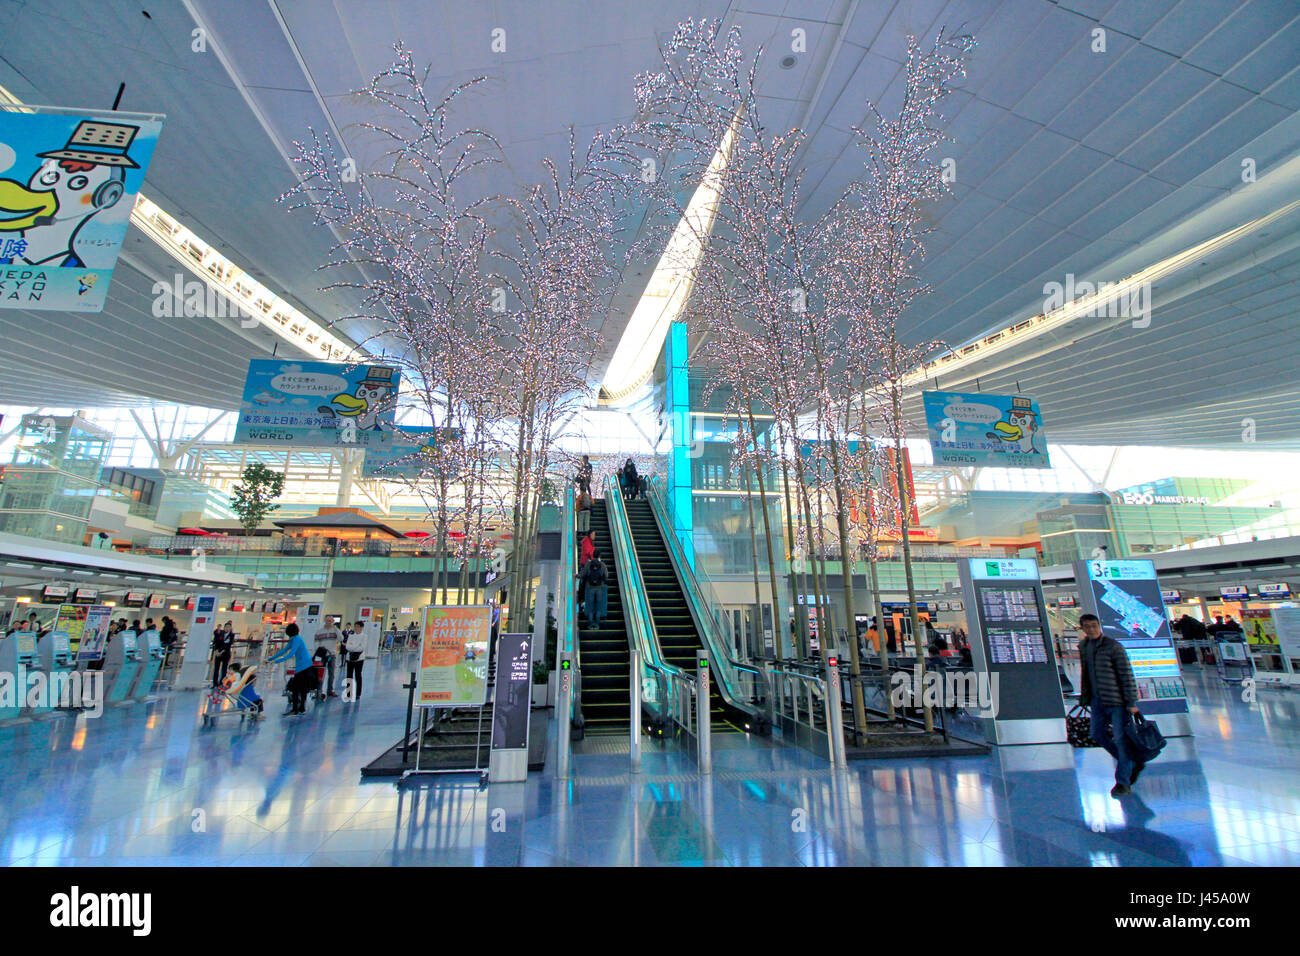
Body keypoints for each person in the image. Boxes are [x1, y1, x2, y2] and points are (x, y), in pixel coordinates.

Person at [1077, 613, 1143, 796]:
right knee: (1097, 735)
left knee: (1122, 740)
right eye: (1087, 626)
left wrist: (1131, 702)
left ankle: (1123, 782)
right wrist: (1086, 697)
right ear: (1082, 629)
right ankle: (1130, 761)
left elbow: (1126, 675)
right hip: (1097, 700)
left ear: (1099, 626)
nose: (1091, 629)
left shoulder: (1113, 647)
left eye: (1094, 625)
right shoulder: (1084, 647)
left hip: (1117, 701)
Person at [267, 622, 317, 716]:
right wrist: (271, 658)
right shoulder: (294, 639)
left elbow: (290, 654)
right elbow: (284, 650)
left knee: (296, 687)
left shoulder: (296, 639)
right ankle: (300, 708)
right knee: (301, 688)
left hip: (304, 666)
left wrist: (277, 661)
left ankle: (296, 709)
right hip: (303, 666)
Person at [342, 619, 371, 701]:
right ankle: (349, 693)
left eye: (358, 627)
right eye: (355, 627)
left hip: (359, 659)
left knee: (358, 675)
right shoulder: (351, 636)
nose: (356, 628)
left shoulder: (364, 636)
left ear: (362, 628)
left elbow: (362, 647)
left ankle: (358, 693)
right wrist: (355, 646)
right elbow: (347, 646)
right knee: (349, 675)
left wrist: (352, 647)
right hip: (349, 658)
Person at [313, 617, 342, 698]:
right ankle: (319, 691)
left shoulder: (335, 631)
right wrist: (319, 651)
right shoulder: (319, 631)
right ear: (325, 621)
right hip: (322, 656)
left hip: (331, 655)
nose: (329, 622)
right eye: (328, 621)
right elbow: (316, 642)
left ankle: (330, 691)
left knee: (331, 673)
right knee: (320, 674)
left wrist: (336, 629)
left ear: (333, 622)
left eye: (331, 621)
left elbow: (341, 638)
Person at [582, 551, 609, 630]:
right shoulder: (602, 565)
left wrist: (577, 575)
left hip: (590, 588)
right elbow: (606, 576)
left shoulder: (588, 564)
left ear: (593, 556)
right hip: (599, 588)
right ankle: (597, 624)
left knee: (590, 606)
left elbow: (583, 574)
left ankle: (590, 624)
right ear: (599, 556)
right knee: (598, 606)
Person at [210, 620, 235, 688]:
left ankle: (222, 683)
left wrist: (221, 652)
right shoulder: (220, 633)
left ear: (230, 628)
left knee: (224, 669)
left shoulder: (231, 635)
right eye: (226, 627)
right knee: (216, 668)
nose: (227, 628)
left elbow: (228, 645)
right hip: (218, 654)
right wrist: (217, 651)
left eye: (228, 627)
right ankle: (215, 683)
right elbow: (216, 642)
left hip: (225, 654)